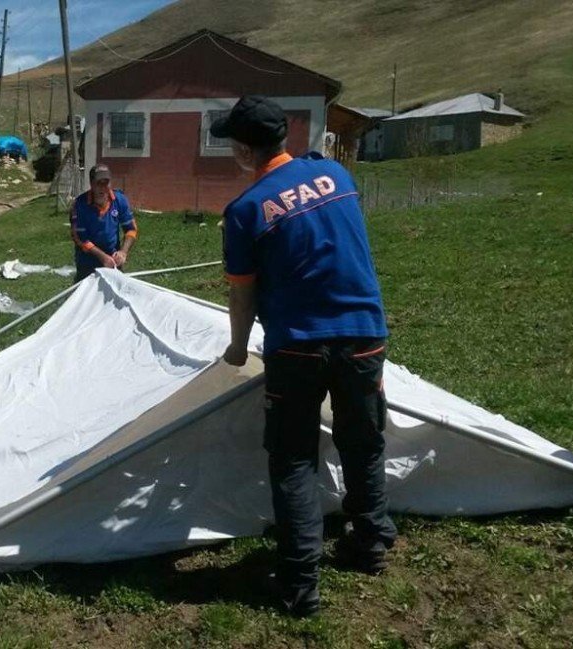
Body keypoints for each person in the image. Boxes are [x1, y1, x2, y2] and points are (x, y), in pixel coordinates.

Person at [214, 95, 396, 617]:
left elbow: (243, 292)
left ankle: (300, 582)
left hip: (298, 345)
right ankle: (371, 540)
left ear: (245, 150)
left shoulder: (246, 211)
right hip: (364, 332)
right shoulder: (336, 174)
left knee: (293, 458)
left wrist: (235, 345)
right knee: (363, 440)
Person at [69, 163, 137, 282]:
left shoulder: (120, 200)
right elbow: (79, 238)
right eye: (98, 183)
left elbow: (131, 229)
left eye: (106, 183)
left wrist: (123, 252)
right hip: (87, 265)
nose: (103, 187)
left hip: (113, 262)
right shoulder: (79, 205)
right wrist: (102, 257)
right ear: (91, 184)